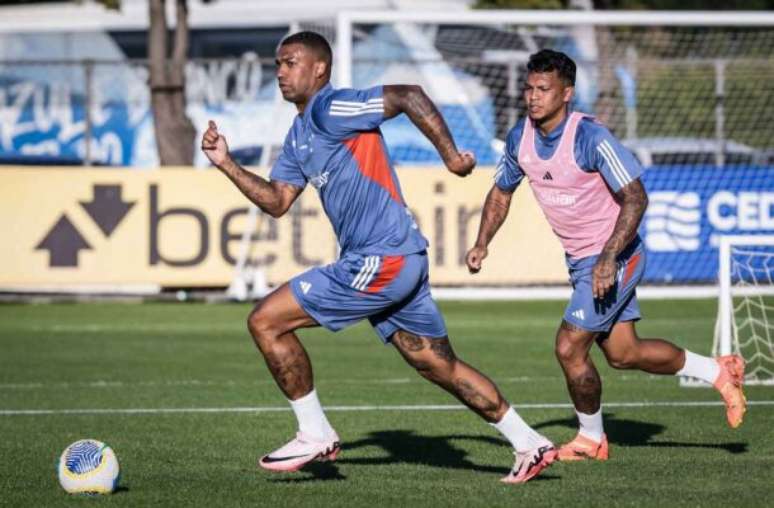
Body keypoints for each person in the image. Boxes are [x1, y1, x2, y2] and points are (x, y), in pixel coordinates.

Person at [201, 31, 555, 483]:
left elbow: (408, 94)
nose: (281, 73)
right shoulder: (299, 134)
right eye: (278, 65)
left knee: (265, 320)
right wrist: (226, 162)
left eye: (290, 63)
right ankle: (529, 442)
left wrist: (448, 156)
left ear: (319, 69)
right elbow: (276, 200)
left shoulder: (332, 108)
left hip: (382, 257)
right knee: (437, 364)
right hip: (398, 260)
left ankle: (314, 433)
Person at [465, 49, 747, 462]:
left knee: (568, 347)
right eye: (529, 88)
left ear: (567, 94)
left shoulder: (590, 137)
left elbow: (636, 197)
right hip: (582, 262)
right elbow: (501, 192)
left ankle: (591, 439)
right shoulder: (519, 138)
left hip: (617, 254)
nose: (533, 97)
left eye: (543, 89)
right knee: (623, 354)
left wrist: (608, 257)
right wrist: (482, 241)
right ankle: (718, 371)